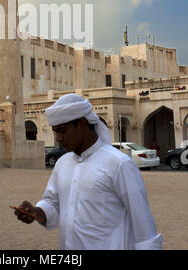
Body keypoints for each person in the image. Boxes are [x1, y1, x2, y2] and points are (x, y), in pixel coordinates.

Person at [13, 93, 162, 250]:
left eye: (62, 131)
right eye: (55, 131)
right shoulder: (62, 164)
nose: (58, 138)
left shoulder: (119, 164)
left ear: (82, 123)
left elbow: (143, 226)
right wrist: (37, 212)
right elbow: (53, 202)